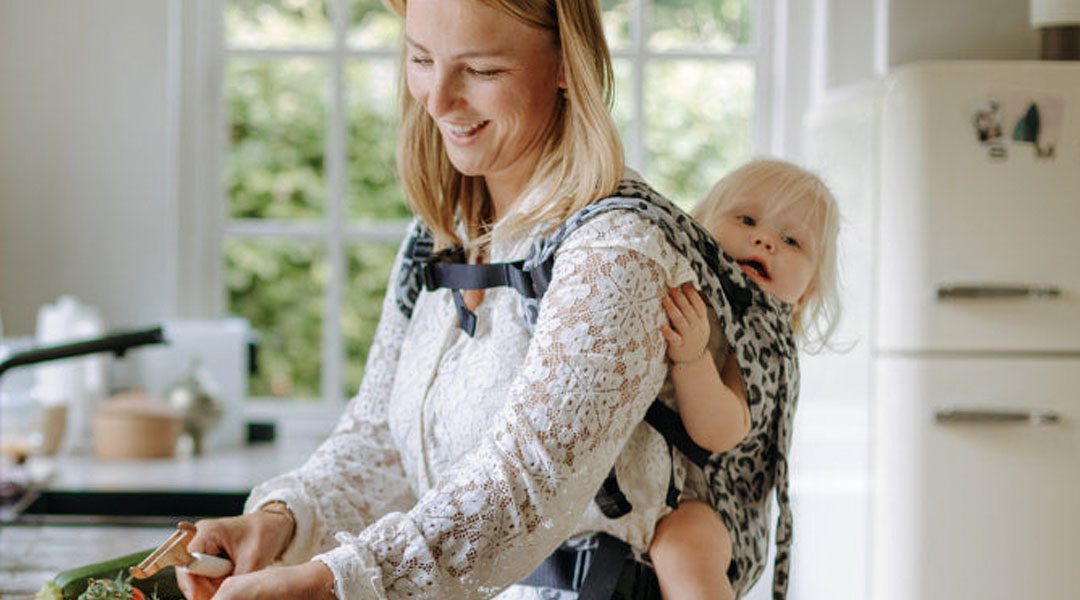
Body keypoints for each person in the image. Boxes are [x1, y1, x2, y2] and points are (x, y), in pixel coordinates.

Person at [174, 0, 724, 599]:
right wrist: (279, 522)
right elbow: (381, 438)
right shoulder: (441, 235)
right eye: (420, 59)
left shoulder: (619, 252)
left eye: (481, 70)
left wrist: (333, 583)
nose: (436, 100)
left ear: (567, 64)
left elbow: (524, 486)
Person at [648, 159, 841, 600]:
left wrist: (693, 358)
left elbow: (720, 431)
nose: (765, 240)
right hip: (653, 480)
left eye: (791, 241)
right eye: (747, 219)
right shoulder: (683, 289)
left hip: (715, 506)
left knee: (682, 545)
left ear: (803, 294)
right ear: (696, 227)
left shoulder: (762, 332)